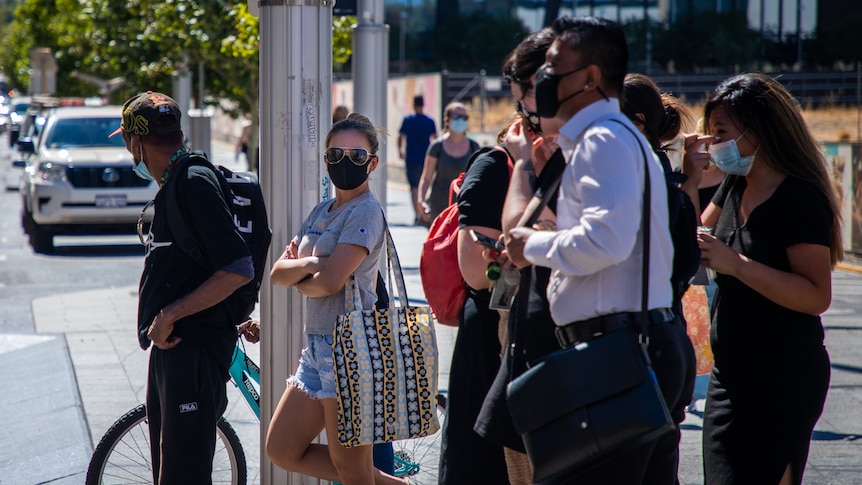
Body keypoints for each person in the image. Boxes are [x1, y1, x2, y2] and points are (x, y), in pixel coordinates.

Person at [503, 17, 694, 483]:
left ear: (589, 77)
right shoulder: (612, 137)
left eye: (552, 67)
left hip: (618, 351)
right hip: (625, 346)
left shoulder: (601, 140)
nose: (542, 79)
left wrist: (532, 245)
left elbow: (605, 241)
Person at [689, 72, 842, 485]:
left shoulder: (799, 198)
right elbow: (695, 242)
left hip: (782, 377)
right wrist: (687, 177)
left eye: (720, 131)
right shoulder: (735, 186)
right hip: (729, 376)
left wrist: (736, 264)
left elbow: (815, 296)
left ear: (759, 131)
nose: (714, 140)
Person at [113, 91, 254, 483]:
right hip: (174, 350)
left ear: (136, 143)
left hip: (190, 351)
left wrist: (169, 315)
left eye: (127, 141)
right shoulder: (179, 180)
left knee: (184, 477)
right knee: (171, 471)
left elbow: (238, 267)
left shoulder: (193, 182)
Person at [265, 114, 407, 485]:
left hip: (350, 352)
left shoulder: (366, 212)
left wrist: (304, 278)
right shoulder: (321, 211)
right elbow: (278, 273)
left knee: (353, 470)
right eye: (336, 153)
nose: (346, 161)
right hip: (318, 348)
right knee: (281, 449)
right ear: (325, 159)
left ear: (373, 164)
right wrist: (312, 263)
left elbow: (329, 284)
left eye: (357, 156)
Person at [472, 27, 560, 485]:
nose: (525, 113)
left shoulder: (592, 148)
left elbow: (519, 239)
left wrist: (524, 162)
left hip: (567, 348)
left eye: (526, 98)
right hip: (536, 336)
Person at [438, 118, 521, 485]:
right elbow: (475, 273)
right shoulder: (493, 165)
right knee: (479, 462)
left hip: (538, 336)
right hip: (490, 332)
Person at [417, 102, 479, 224]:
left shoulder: (473, 147)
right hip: (439, 206)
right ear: (447, 119)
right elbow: (426, 177)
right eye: (456, 117)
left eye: (464, 117)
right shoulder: (437, 147)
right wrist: (421, 200)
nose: (461, 120)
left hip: (465, 206)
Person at [397, 95, 438, 225]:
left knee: (414, 188)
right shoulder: (429, 121)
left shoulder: (408, 120)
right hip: (426, 158)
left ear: (413, 105)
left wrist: (400, 151)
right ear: (423, 105)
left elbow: (400, 137)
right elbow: (435, 139)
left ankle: (417, 214)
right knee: (425, 185)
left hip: (411, 158)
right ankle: (424, 211)